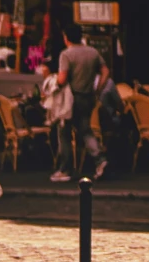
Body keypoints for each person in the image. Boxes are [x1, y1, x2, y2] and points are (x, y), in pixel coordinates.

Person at [56, 25, 108, 178]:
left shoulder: (66, 54)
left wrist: (55, 83)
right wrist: (98, 89)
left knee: (64, 132)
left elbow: (62, 79)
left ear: (66, 38)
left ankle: (65, 169)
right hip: (88, 96)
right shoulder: (93, 52)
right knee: (85, 130)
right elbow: (105, 71)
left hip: (72, 98)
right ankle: (100, 158)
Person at [39, 59, 75, 181]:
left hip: (62, 114)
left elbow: (52, 95)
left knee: (64, 140)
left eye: (43, 69)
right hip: (62, 114)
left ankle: (65, 169)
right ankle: (63, 167)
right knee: (63, 139)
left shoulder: (54, 81)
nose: (41, 71)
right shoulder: (55, 81)